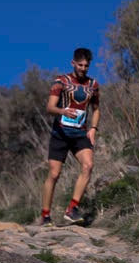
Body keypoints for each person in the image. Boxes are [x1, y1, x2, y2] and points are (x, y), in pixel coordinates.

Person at [40, 47, 101, 226]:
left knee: (88, 165)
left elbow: (96, 109)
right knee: (54, 173)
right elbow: (49, 107)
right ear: (73, 63)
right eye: (80, 65)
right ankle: (45, 215)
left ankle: (72, 208)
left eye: (86, 66)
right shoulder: (61, 82)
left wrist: (93, 129)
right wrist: (63, 110)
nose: (83, 68)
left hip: (80, 134)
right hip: (60, 133)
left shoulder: (93, 85)